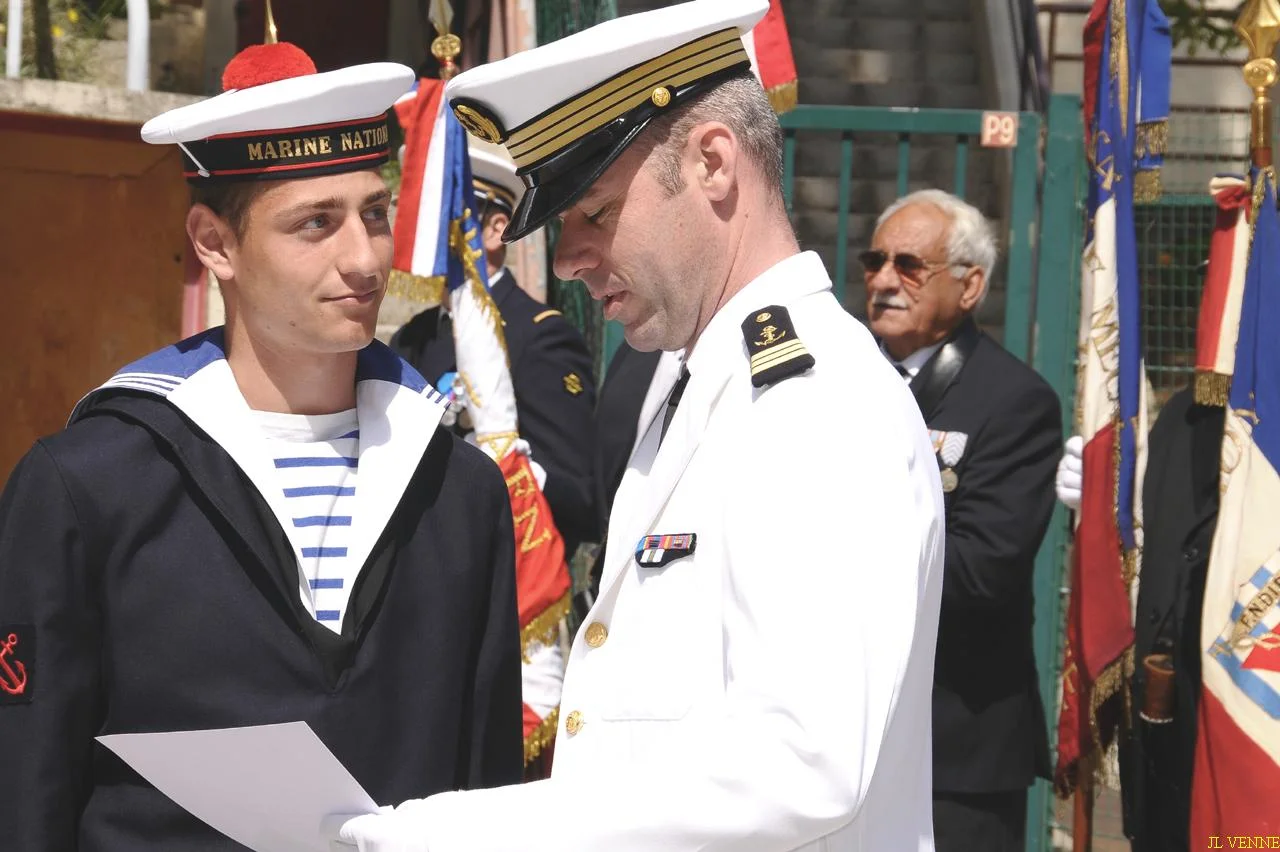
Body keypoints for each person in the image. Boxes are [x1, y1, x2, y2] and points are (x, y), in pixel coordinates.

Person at [328, 0, 945, 849]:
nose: (572, 260)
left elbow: (805, 765)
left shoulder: (814, 403)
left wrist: (464, 832)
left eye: (598, 213)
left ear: (715, 164)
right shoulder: (689, 379)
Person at [0, 41, 523, 849]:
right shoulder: (86, 486)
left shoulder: (463, 492)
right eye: (316, 222)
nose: (363, 259)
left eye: (374, 214)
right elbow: (25, 785)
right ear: (214, 243)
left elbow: (491, 792)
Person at [863, 189, 1060, 851]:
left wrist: (833, 552)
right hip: (839, 739)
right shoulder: (837, 384)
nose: (886, 279)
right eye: (875, 261)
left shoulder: (1014, 402)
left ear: (970, 286)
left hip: (955, 752)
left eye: (910, 265)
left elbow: (982, 573)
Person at [392, 141, 598, 556]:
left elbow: (579, 498)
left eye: (445, 213)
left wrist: (505, 462)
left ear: (494, 229)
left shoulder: (538, 336)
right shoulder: (412, 338)